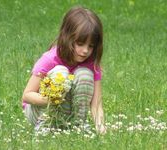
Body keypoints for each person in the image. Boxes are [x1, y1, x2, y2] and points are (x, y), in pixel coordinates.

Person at [22, 6, 106, 134]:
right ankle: (46, 126)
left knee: (85, 74)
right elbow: (27, 95)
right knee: (61, 72)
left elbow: (96, 104)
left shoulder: (91, 64)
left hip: (66, 113)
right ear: (67, 37)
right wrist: (51, 99)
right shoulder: (50, 59)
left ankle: (77, 126)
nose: (85, 51)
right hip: (40, 111)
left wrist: (101, 129)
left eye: (91, 46)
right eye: (80, 44)